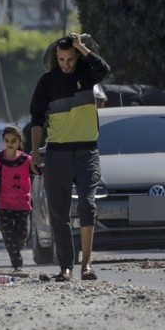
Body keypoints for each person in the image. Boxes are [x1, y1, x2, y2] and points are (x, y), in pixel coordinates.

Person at [30, 33, 110, 282]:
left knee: (87, 205)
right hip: (57, 154)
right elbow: (36, 119)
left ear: (77, 57)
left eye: (70, 59)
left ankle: (86, 264)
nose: (67, 64)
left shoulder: (87, 77)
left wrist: (81, 46)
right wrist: (34, 152)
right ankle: (65, 267)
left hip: (87, 152)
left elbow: (104, 69)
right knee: (59, 213)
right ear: (56, 57)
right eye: (62, 59)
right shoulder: (46, 82)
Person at [0, 126, 32, 276]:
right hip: (4, 203)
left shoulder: (27, 160)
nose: (10, 143)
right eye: (7, 140)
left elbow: (40, 171)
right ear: (3, 141)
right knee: (8, 235)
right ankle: (17, 265)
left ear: (19, 142)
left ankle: (16, 248)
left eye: (13, 141)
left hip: (22, 203)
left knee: (22, 233)